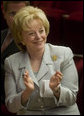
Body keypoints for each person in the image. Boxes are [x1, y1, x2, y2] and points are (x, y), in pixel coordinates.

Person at [4, 6, 80, 115]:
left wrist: (56, 89)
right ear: (21, 38)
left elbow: (72, 98)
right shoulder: (11, 62)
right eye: (31, 33)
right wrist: (27, 92)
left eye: (41, 31)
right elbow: (11, 106)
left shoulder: (64, 54)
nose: (39, 37)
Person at [1, 1, 30, 105]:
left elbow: (20, 79)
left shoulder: (31, 43)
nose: (18, 19)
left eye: (21, 14)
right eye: (13, 14)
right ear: (4, 13)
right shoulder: (2, 34)